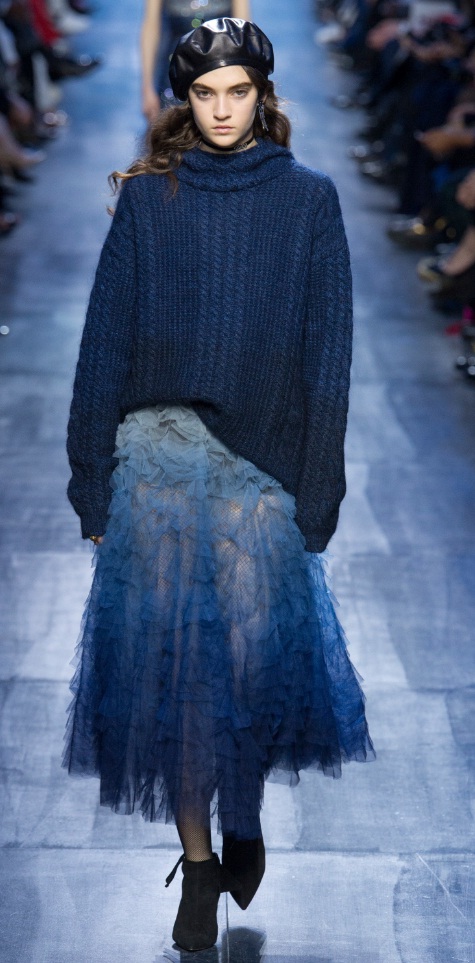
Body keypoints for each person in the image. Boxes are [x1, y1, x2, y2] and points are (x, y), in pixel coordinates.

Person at [64, 17, 375, 954]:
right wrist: (89, 482)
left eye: (238, 92)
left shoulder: (308, 202)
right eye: (205, 94)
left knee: (245, 668)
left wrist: (319, 490)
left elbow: (328, 359)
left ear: (263, 94)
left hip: (260, 467)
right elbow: (103, 347)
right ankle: (198, 864)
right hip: (155, 458)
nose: (222, 110)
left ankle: (240, 816)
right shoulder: (147, 200)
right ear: (184, 100)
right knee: (178, 682)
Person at [140, 0, 251, 122]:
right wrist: (147, 88)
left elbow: (242, 29)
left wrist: (247, 79)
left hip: (220, 69)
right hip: (173, 75)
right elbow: (151, 28)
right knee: (172, 126)